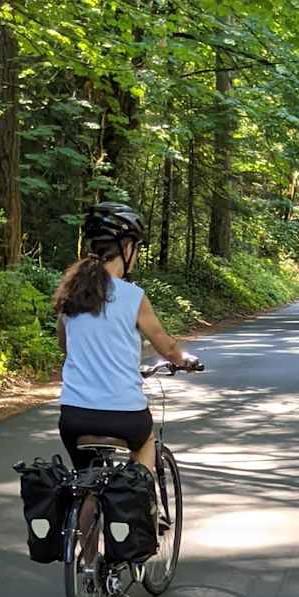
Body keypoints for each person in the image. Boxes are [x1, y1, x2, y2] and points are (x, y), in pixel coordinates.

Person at [54, 200, 200, 481]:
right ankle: (138, 500)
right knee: (145, 446)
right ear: (126, 248)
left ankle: (78, 524)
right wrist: (183, 360)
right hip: (125, 414)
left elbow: (65, 345)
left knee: (85, 479)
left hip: (74, 415)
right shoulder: (133, 296)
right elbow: (165, 344)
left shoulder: (70, 293)